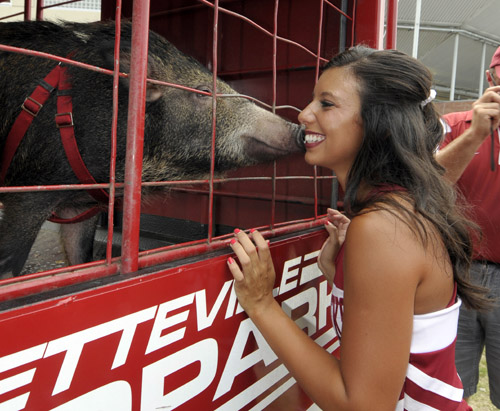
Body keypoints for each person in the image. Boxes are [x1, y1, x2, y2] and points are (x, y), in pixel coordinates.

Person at [226, 45, 493, 410]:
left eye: (327, 104)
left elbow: (361, 405)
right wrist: (340, 274)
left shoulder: (382, 228)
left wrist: (262, 304)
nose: (304, 114)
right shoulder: (390, 214)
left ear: (377, 124)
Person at [436, 46, 500, 408]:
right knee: (449, 384)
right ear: (489, 81)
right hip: (460, 272)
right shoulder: (457, 126)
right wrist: (476, 134)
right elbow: (427, 185)